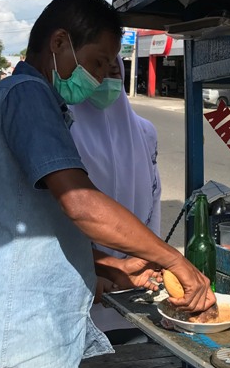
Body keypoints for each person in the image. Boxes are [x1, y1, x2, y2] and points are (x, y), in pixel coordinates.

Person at [0, 0, 214, 368]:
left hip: (18, 343)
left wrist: (107, 266)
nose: (103, 76)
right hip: (14, 347)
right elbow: (80, 203)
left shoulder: (28, 101)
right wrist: (175, 261)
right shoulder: (26, 94)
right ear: (59, 43)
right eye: (98, 62)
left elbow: (28, 231)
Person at [69, 56, 162, 344]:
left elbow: (154, 197)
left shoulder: (145, 132)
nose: (108, 80)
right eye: (99, 70)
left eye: (115, 73)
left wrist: (149, 258)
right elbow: (66, 207)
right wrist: (98, 267)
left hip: (137, 288)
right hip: (85, 289)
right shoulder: (65, 127)